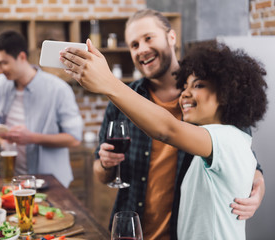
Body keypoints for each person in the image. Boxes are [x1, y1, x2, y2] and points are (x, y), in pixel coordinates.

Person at [60, 9, 266, 239]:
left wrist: (257, 183)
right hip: (135, 228)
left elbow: (171, 131)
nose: (142, 49)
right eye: (134, 44)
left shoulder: (211, 113)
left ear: (171, 37)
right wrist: (106, 165)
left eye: (149, 38)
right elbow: (101, 171)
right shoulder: (124, 100)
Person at [0, 30, 83, 188]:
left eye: (3, 62)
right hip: (12, 180)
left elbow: (74, 138)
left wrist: (31, 138)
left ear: (22, 57)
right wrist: (3, 135)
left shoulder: (58, 89)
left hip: (50, 182)